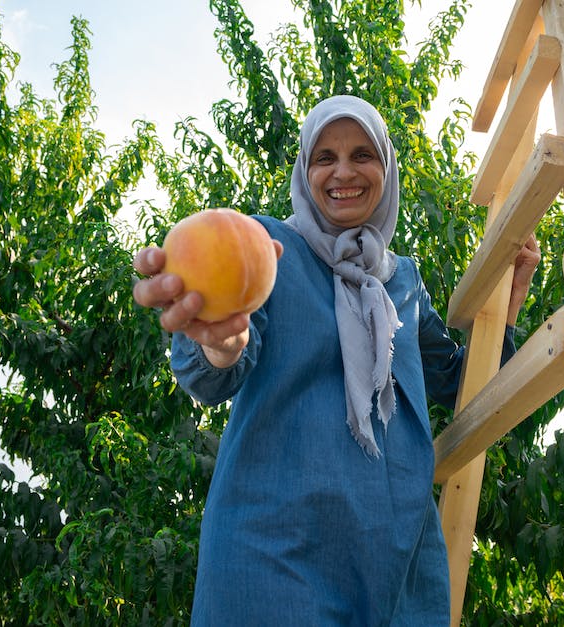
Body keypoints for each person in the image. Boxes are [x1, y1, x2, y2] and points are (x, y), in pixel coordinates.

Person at [132, 95, 540, 626]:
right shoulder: (265, 247)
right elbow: (220, 360)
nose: (342, 171)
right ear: (305, 171)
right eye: (324, 157)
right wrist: (219, 341)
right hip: (275, 551)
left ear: (386, 167)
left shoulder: (402, 279)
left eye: (361, 154)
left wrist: (510, 301)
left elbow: (461, 386)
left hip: (393, 559)